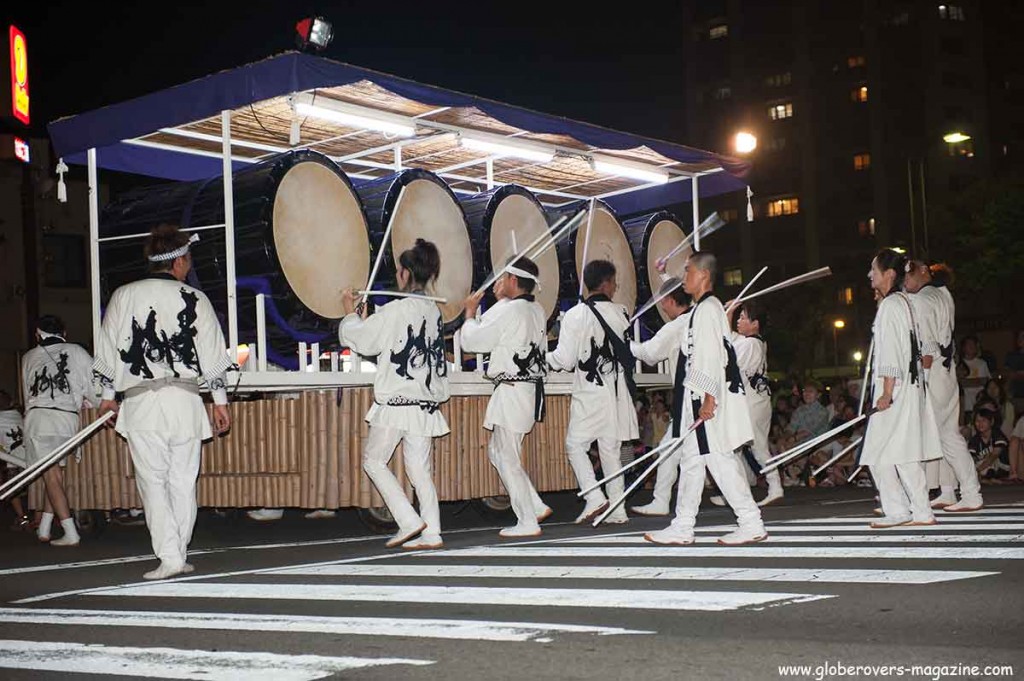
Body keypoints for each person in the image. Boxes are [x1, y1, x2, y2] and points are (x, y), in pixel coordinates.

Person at [94, 225, 232, 579]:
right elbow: (213, 354)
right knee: (183, 481)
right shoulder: (196, 298)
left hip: (143, 402)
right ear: (180, 261)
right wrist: (220, 402)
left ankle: (171, 555)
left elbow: (109, 349)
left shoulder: (124, 295)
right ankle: (176, 553)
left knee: (153, 481)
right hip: (185, 400)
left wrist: (108, 398)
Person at [644, 253, 767, 546]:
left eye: (687, 270)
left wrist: (708, 399)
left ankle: (750, 522)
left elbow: (712, 357)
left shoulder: (708, 309)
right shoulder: (705, 309)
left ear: (702, 275)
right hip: (698, 394)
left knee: (718, 461)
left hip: (704, 396)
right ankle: (683, 526)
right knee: (692, 462)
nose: (683, 275)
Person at [340, 239, 450, 550]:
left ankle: (409, 521)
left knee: (374, 461)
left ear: (403, 274)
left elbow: (363, 341)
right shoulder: (434, 311)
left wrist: (350, 313)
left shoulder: (397, 309)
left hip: (397, 402)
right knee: (419, 469)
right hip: (424, 403)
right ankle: (432, 532)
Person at [460, 255, 552, 538]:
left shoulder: (511, 311)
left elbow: (473, 341)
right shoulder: (535, 310)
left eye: (501, 278)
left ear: (512, 280)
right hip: (523, 390)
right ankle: (534, 506)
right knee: (499, 452)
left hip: (513, 390)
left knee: (506, 456)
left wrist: (469, 313)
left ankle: (527, 520)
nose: (496, 284)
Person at [547, 259, 638, 525]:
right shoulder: (622, 313)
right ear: (607, 283)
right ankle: (618, 509)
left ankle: (594, 496)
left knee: (575, 445)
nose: (616, 286)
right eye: (614, 281)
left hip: (590, 391)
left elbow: (564, 360)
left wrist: (543, 357)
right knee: (610, 450)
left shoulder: (577, 314)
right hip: (616, 392)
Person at [860, 249, 941, 529]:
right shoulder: (907, 302)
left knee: (878, 452)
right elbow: (925, 347)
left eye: (874, 269)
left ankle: (900, 510)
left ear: (889, 274)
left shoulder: (890, 306)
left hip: (895, 389)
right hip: (910, 386)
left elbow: (889, 353)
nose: (870, 274)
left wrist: (886, 392)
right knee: (902, 452)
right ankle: (919, 510)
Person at [903, 261, 983, 512]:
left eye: (909, 275)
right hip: (946, 370)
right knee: (945, 432)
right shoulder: (943, 294)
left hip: (933, 372)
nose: (906, 280)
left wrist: (922, 382)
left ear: (924, 273)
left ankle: (971, 492)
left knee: (947, 436)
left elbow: (927, 345)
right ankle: (948, 490)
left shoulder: (923, 300)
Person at [21, 315, 98, 547]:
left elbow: (27, 393)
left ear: (37, 333)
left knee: (51, 475)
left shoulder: (28, 357)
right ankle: (44, 529)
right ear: (64, 332)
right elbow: (94, 384)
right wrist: (92, 403)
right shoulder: (76, 350)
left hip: (39, 418)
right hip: (67, 420)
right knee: (54, 475)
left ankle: (70, 533)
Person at [627, 279, 691, 517]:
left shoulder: (676, 327)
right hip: (702, 395)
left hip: (691, 398)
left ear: (671, 301)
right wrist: (664, 277)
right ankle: (662, 501)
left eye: (663, 301)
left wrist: (625, 344)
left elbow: (649, 354)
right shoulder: (698, 318)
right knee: (671, 450)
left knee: (710, 457)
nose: (662, 307)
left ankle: (747, 511)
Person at [728, 300, 782, 506]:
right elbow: (727, 337)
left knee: (757, 447)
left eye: (743, 317)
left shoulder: (751, 344)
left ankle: (774, 486)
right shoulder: (747, 341)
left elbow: (730, 363)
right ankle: (738, 491)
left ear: (755, 323)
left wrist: (731, 312)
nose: (739, 321)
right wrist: (730, 312)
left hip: (753, 404)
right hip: (752, 402)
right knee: (736, 448)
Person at [0, 390, 30, 529]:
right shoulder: (18, 415)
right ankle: (38, 517)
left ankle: (22, 517)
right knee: (34, 487)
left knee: (11, 489)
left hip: (13, 460)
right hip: (29, 455)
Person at [968, 408, 1010, 482]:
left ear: (991, 422)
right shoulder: (974, 440)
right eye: (977, 421)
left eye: (984, 420)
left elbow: (994, 455)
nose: (980, 424)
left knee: (992, 462)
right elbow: (971, 458)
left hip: (1001, 466)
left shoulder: (998, 435)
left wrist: (978, 470)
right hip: (982, 467)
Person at [957, 336, 991, 420]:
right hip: (964, 405)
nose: (972, 346)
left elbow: (986, 381)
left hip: (979, 403)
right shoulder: (958, 364)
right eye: (969, 344)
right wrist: (976, 381)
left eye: (974, 344)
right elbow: (959, 383)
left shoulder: (982, 363)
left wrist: (967, 382)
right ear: (963, 348)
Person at [1004, 329, 1024, 415]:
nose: (1020, 339)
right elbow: (1008, 375)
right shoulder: (1011, 356)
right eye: (1018, 337)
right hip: (1015, 396)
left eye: (1023, 337)